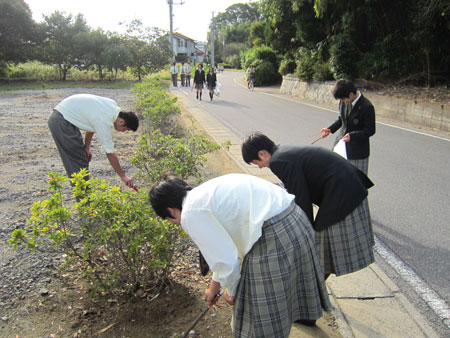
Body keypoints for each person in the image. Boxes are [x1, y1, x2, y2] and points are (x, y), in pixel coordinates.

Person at [149, 174, 331, 336]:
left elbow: (226, 260)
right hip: (294, 220)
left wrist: (232, 292)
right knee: (285, 291)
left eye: (171, 220)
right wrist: (214, 288)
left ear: (171, 211)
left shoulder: (191, 213)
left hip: (274, 235)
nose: (176, 223)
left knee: (254, 314)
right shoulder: (204, 193)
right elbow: (226, 251)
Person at [241, 132, 375, 280]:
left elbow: (301, 200)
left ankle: (314, 292)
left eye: (256, 163)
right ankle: (316, 289)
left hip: (342, 193)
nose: (259, 167)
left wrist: (302, 232)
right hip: (347, 187)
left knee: (320, 246)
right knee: (321, 250)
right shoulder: (283, 152)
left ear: (262, 154)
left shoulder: (278, 161)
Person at [48, 94, 139, 188]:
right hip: (61, 120)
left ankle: (84, 196)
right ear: (122, 122)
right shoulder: (105, 120)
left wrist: (87, 147)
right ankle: (84, 199)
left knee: (83, 155)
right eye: (125, 130)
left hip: (64, 117)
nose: (123, 132)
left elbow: (92, 123)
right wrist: (123, 176)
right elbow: (110, 152)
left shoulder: (112, 106)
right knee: (78, 162)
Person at [319, 79, 376, 174]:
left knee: (358, 182)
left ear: (351, 94)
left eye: (343, 99)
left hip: (358, 152)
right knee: (339, 177)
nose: (343, 102)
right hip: (341, 147)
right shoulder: (344, 101)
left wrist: (352, 136)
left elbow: (370, 130)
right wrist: (330, 129)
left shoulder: (367, 106)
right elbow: (342, 119)